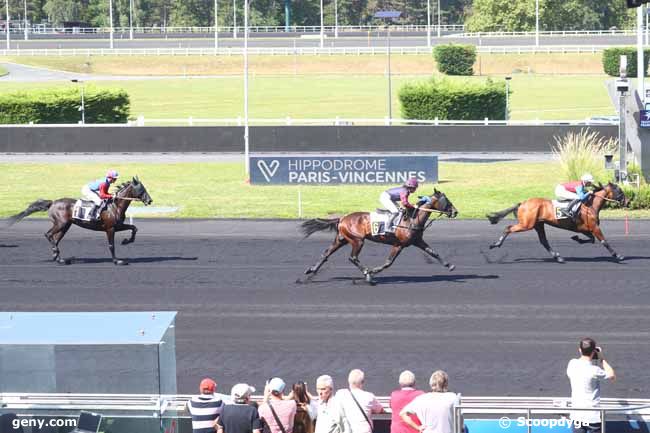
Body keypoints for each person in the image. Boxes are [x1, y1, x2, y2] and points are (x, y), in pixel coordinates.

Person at [567, 338, 616, 433]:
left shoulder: (572, 363)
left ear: (580, 350)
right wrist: (601, 358)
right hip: (593, 416)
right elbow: (612, 375)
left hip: (576, 415)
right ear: (594, 351)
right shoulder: (594, 370)